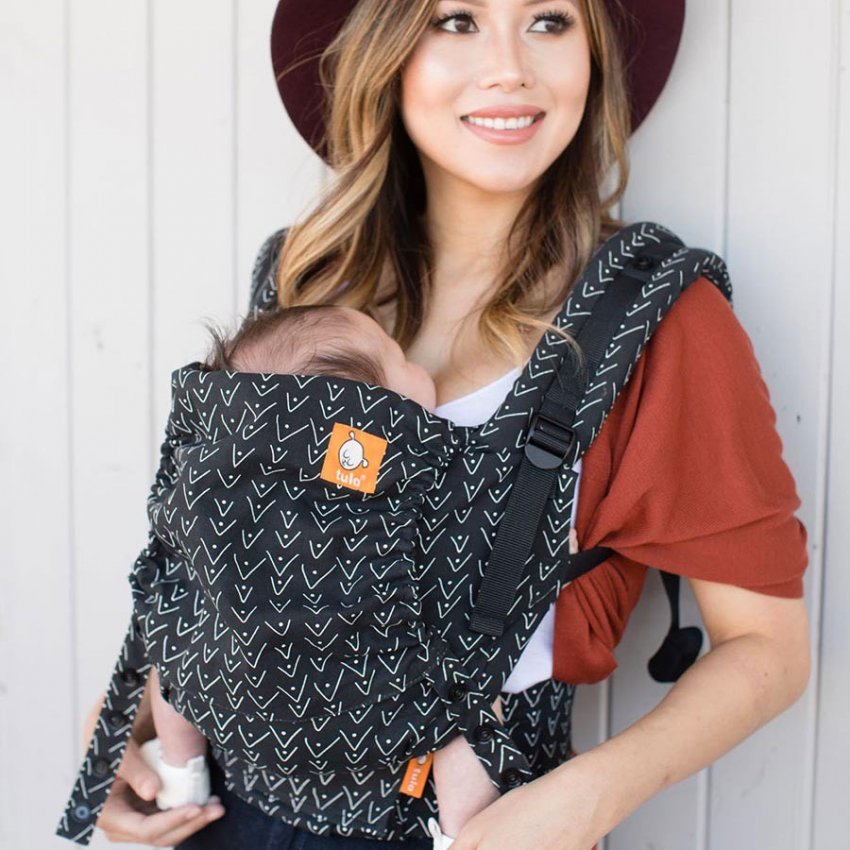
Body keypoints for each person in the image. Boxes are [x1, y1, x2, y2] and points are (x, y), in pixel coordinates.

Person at [82, 1, 811, 848]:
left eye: (549, 20)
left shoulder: (654, 321)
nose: (509, 68)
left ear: (595, 55)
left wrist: (588, 799)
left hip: (477, 822)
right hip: (227, 813)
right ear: (386, 50)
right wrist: (125, 723)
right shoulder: (303, 281)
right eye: (457, 19)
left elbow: (768, 648)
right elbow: (222, 551)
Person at [138, 302, 541, 848]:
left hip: (231, 687)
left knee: (175, 655)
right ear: (376, 411)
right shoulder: (411, 480)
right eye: (400, 359)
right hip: (374, 696)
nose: (417, 363)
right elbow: (485, 543)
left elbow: (172, 573)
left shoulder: (231, 486)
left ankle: (181, 771)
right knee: (463, 718)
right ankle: (463, 834)